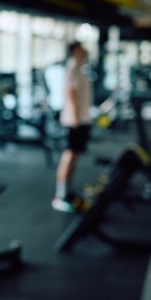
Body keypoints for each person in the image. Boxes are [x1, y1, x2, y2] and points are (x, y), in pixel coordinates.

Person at [53, 42, 93, 212]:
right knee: (69, 155)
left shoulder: (79, 67)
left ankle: (67, 191)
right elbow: (71, 92)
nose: (85, 51)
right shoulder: (73, 67)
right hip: (74, 121)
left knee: (73, 156)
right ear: (75, 51)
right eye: (82, 48)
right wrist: (76, 117)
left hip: (81, 119)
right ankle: (60, 195)